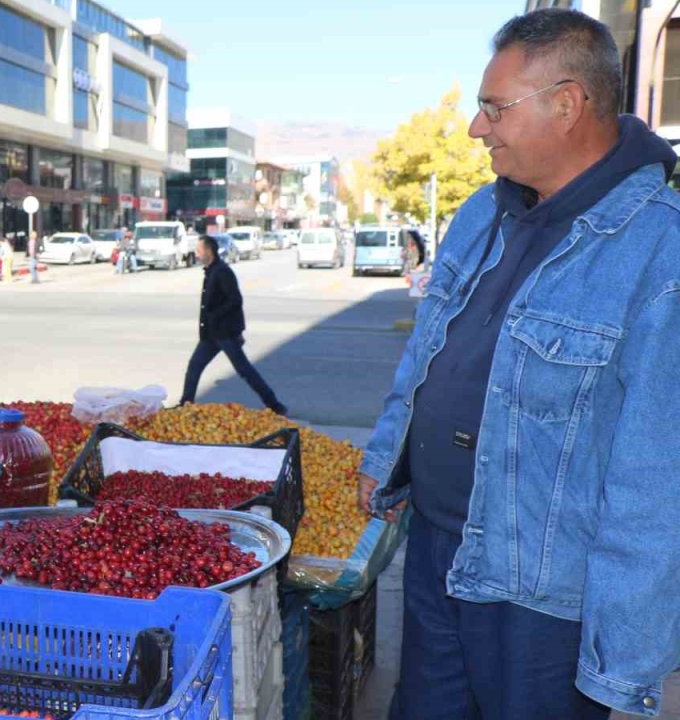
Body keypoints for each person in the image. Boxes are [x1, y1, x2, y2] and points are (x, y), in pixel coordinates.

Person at [358, 10, 680, 719]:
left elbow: (656, 483)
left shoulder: (660, 253)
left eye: (494, 108)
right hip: (437, 552)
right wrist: (387, 457)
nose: (478, 128)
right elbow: (426, 353)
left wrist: (623, 658)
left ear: (567, 105)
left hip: (540, 600)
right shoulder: (482, 213)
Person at [179, 235, 287, 415]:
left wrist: (215, 317)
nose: (196, 254)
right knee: (195, 365)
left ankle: (274, 405)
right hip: (211, 335)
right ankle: (185, 404)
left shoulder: (222, 272)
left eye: (199, 251)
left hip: (225, 333)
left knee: (244, 370)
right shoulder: (210, 271)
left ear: (208, 251)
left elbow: (235, 300)